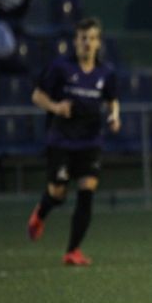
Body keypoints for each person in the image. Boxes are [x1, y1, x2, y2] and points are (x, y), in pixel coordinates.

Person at [26, 17, 120, 266]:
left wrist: (114, 116)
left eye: (91, 38)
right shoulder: (60, 67)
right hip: (62, 140)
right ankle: (41, 213)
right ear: (75, 41)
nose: (87, 43)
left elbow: (112, 99)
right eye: (82, 38)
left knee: (87, 190)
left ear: (98, 42)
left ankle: (72, 251)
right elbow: (37, 95)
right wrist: (56, 107)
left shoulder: (106, 72)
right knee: (58, 192)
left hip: (91, 141)